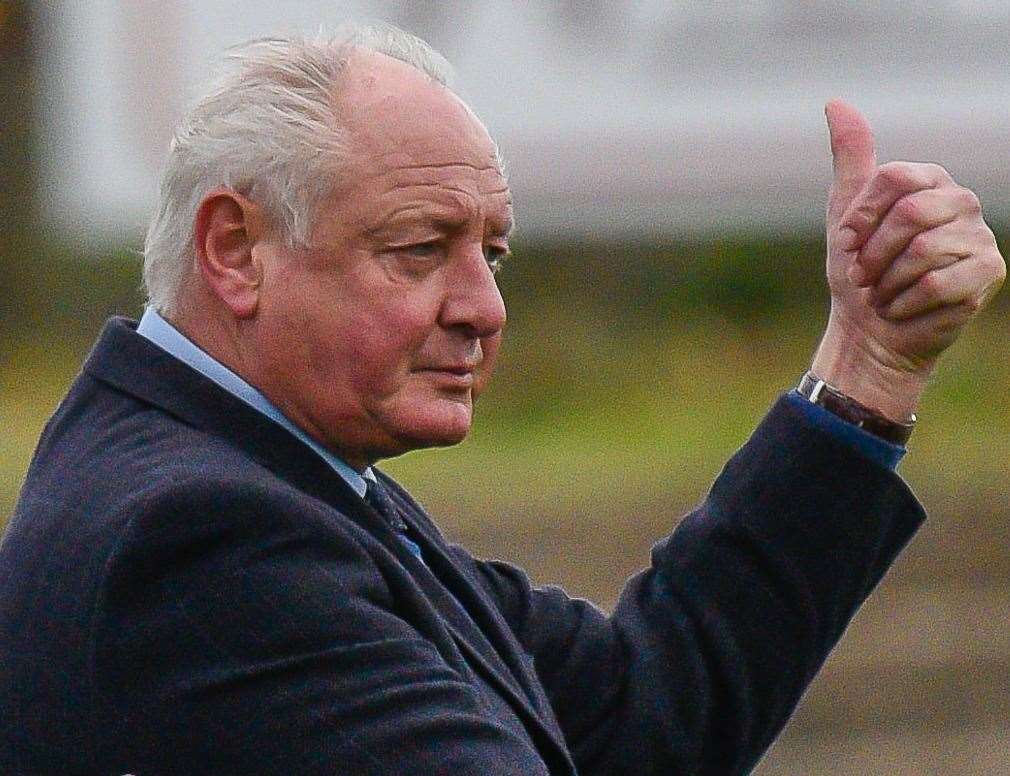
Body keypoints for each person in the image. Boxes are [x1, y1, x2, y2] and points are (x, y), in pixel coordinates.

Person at [1, 23, 1004, 776]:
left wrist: (867, 362)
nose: (483, 308)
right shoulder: (200, 534)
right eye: (418, 249)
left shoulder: (266, 470)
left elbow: (636, 714)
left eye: (489, 251)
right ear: (234, 250)